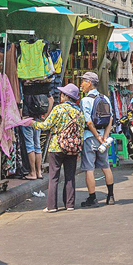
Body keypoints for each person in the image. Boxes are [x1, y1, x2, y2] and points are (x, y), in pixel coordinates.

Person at [26, 83, 86, 212]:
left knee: (53, 177)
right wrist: (78, 148)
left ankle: (52, 206)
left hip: (56, 146)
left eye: (62, 94)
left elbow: (45, 126)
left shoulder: (58, 109)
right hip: (72, 148)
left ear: (66, 96)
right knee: (70, 177)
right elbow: (81, 132)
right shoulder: (79, 111)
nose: (60, 96)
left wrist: (31, 123)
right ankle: (70, 204)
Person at [78, 72, 115, 207]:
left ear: (89, 83)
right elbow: (110, 118)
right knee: (106, 166)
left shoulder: (85, 100)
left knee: (89, 169)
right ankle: (110, 196)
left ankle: (92, 198)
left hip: (90, 137)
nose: (81, 84)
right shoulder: (105, 98)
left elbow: (88, 122)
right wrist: (104, 136)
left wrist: (97, 136)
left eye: (83, 81)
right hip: (103, 138)